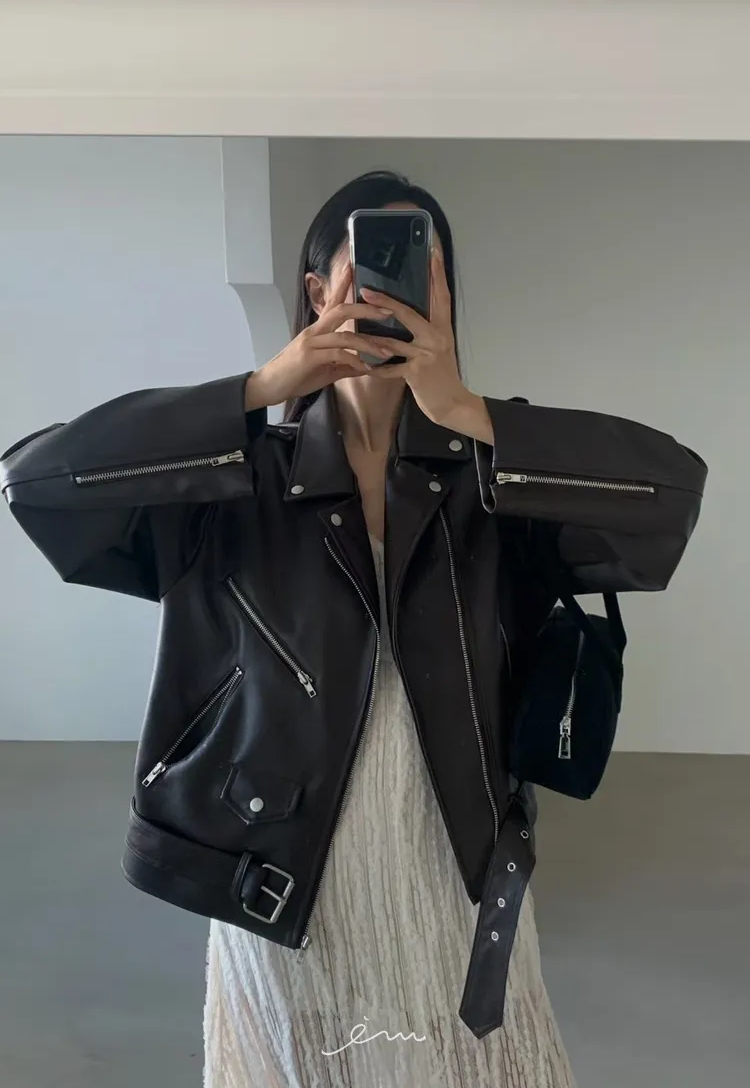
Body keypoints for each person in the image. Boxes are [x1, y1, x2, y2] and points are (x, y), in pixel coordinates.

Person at [0, 171, 707, 1088]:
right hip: (284, 877)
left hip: (452, 870)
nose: (394, 292)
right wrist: (260, 388)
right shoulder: (242, 480)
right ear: (316, 290)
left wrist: (470, 413)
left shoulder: (492, 474)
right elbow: (36, 481)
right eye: (370, 266)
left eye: (422, 271)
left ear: (445, 299)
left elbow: (671, 494)